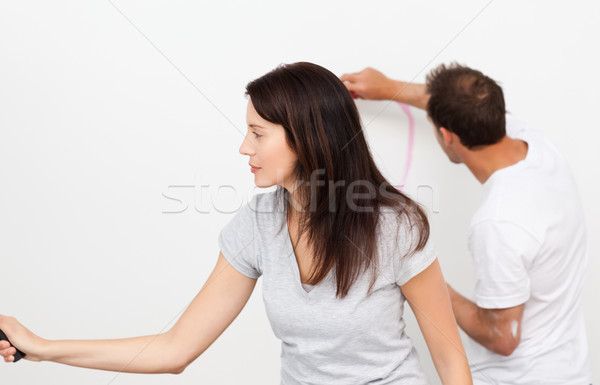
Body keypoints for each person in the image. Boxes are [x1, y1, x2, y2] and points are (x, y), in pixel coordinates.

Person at [0, 62, 472, 384]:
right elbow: (174, 349)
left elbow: (450, 357)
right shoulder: (258, 223)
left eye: (257, 133)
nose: (243, 148)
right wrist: (42, 347)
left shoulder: (396, 226)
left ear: (308, 137)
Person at [340, 64, 593, 384]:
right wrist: (390, 88)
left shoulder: (498, 223)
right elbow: (465, 100)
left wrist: (423, 280)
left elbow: (503, 337)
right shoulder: (540, 148)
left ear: (447, 136)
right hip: (570, 371)